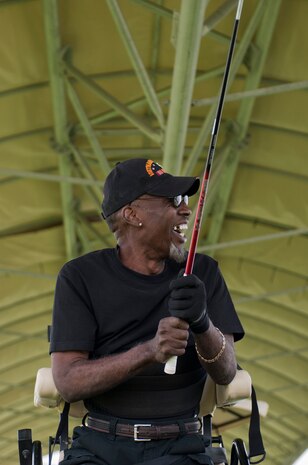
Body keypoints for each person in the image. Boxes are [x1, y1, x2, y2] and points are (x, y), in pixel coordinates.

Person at [50, 158, 244, 465]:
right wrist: (151, 351)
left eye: (185, 200)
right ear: (132, 214)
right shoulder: (79, 277)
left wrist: (203, 323)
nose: (185, 209)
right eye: (173, 200)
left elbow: (227, 370)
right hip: (98, 449)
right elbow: (69, 382)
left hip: (183, 449)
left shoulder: (204, 272)